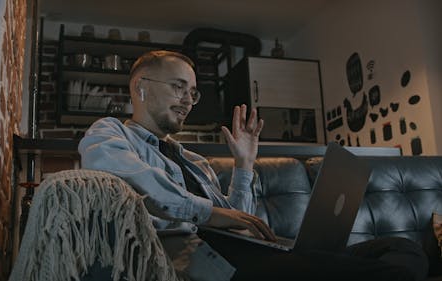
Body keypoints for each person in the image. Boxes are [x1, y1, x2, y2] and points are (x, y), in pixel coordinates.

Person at [78, 50, 428, 281]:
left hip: (245, 248)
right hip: (208, 259)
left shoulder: (193, 160)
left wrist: (244, 164)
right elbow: (131, 179)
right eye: (178, 87)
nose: (188, 101)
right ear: (140, 88)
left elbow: (238, 222)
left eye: (193, 92)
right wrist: (210, 213)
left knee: (403, 250)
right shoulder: (109, 133)